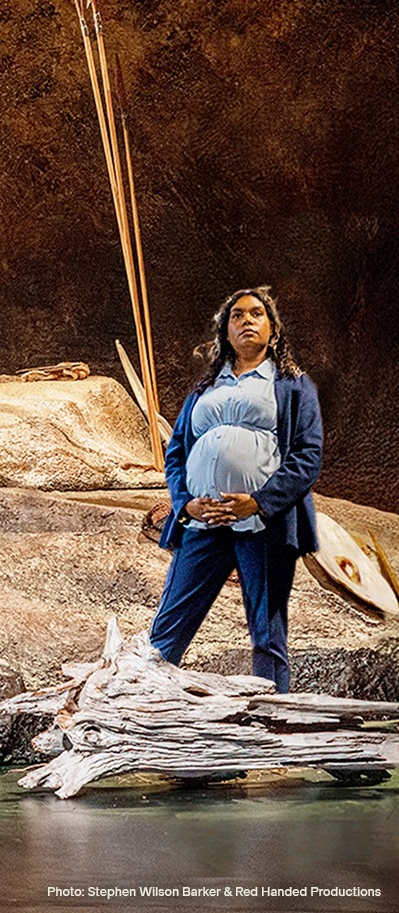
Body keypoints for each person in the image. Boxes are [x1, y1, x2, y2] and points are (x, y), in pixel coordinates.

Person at [147, 288, 321, 693]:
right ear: (225, 331)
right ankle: (140, 708)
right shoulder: (204, 389)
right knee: (170, 624)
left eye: (257, 314)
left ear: (272, 330)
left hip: (264, 525)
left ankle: (273, 727)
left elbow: (307, 458)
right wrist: (185, 504)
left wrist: (258, 504)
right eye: (237, 316)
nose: (246, 321)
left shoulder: (293, 386)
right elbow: (175, 455)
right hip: (202, 522)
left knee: (267, 633)